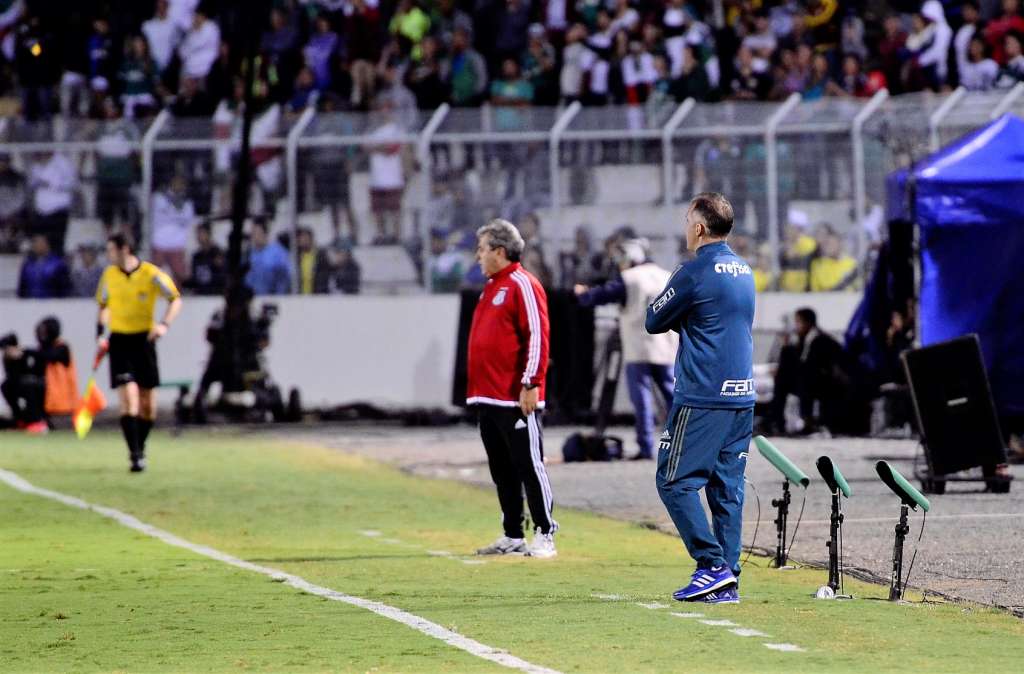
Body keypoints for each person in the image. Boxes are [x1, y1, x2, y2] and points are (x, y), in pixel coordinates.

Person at [645, 192, 755, 604]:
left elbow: (654, 320)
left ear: (699, 227)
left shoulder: (693, 273)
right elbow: (717, 323)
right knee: (726, 490)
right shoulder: (744, 270)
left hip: (703, 396)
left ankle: (711, 566)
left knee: (673, 480)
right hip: (742, 396)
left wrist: (675, 284)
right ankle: (728, 579)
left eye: (687, 220)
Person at [467, 219, 557, 559]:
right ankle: (512, 534)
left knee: (530, 465)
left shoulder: (523, 283)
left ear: (500, 251)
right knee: (501, 469)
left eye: (482, 248)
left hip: (515, 395)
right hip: (488, 396)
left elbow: (538, 335)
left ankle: (546, 533)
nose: (477, 255)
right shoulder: (491, 286)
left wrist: (530, 383)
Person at [576, 239, 677, 460]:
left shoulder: (630, 278)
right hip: (667, 345)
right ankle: (684, 445)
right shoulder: (667, 275)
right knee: (672, 396)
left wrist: (583, 294)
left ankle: (646, 446)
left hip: (639, 346)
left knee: (641, 398)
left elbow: (601, 295)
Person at [96, 233, 183, 472]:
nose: (108, 255)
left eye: (111, 250)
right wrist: (101, 334)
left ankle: (140, 447)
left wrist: (163, 325)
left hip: (143, 341)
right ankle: (134, 454)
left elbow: (175, 299)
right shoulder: (109, 275)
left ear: (125, 249)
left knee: (148, 406)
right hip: (120, 341)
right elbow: (103, 306)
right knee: (129, 398)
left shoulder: (151, 274)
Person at [767, 307, 852, 436]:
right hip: (811, 381)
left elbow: (813, 367)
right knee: (782, 380)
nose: (796, 326)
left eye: (798, 322)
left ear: (807, 323)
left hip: (828, 383)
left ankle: (807, 422)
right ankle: (777, 422)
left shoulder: (821, 340)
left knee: (798, 378)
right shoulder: (804, 339)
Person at [1, 318, 77, 433]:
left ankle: (37, 421)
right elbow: (29, 371)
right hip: (45, 395)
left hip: (59, 398)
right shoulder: (40, 350)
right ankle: (20, 419)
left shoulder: (62, 348)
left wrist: (23, 351)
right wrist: (11, 357)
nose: (40, 335)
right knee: (8, 385)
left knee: (28, 384)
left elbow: (48, 356)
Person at [245, 220, 291, 295]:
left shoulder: (279, 252)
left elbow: (285, 278)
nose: (255, 237)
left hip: (274, 298)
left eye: (258, 233)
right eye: (253, 234)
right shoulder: (249, 254)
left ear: (265, 234)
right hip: (254, 297)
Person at [17, 234, 70, 299]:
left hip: (52, 304)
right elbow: (22, 287)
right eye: (34, 243)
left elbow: (65, 288)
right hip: (30, 303)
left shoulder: (58, 264)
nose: (35, 246)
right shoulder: (28, 264)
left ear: (46, 244)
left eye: (38, 243)